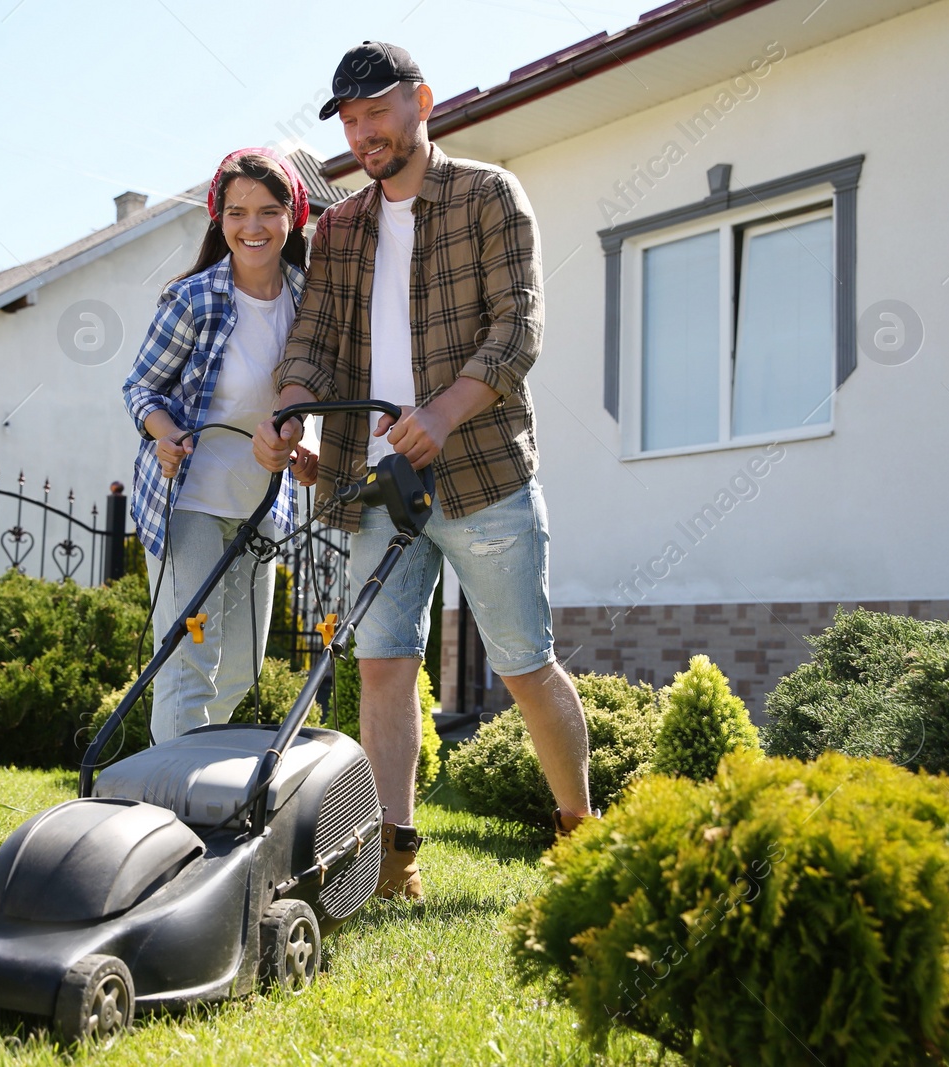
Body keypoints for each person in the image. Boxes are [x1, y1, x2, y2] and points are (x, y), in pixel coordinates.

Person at [254, 42, 594, 901]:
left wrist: (440, 417)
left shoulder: (488, 196)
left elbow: (517, 330)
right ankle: (391, 855)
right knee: (383, 664)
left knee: (523, 663)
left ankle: (582, 838)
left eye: (377, 112)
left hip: (483, 474)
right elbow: (314, 341)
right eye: (351, 119)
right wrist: (292, 403)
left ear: (421, 103)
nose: (363, 133)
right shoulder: (339, 228)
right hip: (375, 484)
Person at [123, 147, 320, 744]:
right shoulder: (195, 298)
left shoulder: (308, 301)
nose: (251, 227)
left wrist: (308, 450)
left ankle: (204, 784)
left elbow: (303, 396)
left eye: (267, 211)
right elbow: (141, 388)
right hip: (188, 501)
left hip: (261, 504)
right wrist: (166, 435)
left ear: (293, 217)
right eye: (236, 212)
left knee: (241, 667)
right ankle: (170, 808)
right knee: (189, 662)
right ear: (219, 218)